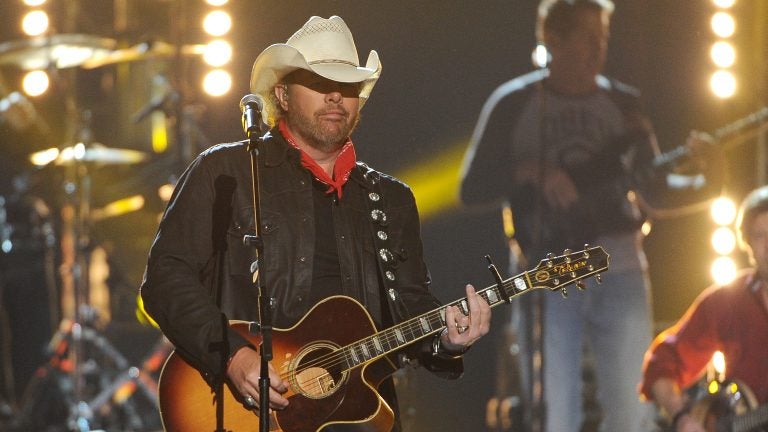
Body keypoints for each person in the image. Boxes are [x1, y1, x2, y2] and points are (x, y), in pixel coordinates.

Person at [140, 15, 490, 431]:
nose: (335, 97)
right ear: (283, 94)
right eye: (320, 82)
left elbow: (410, 307)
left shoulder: (391, 199)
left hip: (357, 417)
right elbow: (164, 279)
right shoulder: (226, 173)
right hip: (245, 410)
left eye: (347, 87)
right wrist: (234, 356)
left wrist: (447, 340)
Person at [459, 1, 720, 431]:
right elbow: (472, 188)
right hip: (546, 276)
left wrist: (710, 182)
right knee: (555, 414)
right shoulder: (515, 103)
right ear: (553, 39)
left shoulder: (625, 104)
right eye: (587, 37)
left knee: (632, 412)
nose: (598, 47)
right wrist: (531, 172)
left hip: (619, 271)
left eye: (604, 36)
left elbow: (654, 191)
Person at [639, 185, 768, 432]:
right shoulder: (730, 300)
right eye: (760, 235)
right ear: (748, 245)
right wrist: (682, 417)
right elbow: (662, 361)